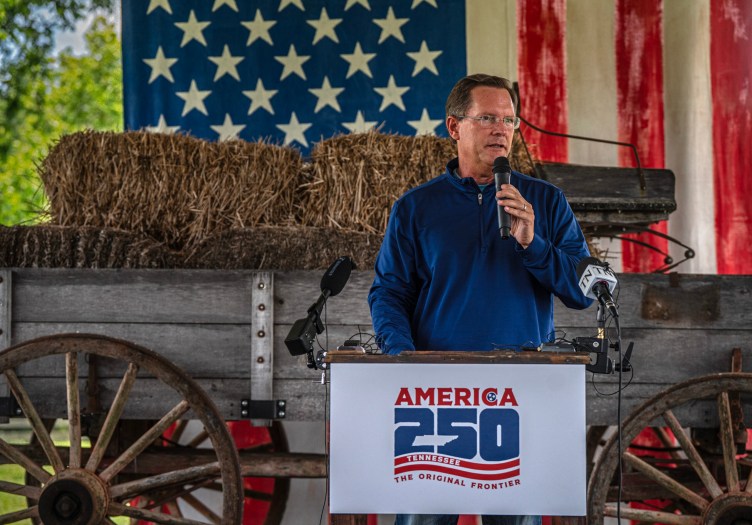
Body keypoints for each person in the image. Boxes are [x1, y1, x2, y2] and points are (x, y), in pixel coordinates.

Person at [367, 74, 593, 525]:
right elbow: (389, 291)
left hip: (520, 390)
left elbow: (585, 290)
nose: (501, 129)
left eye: (509, 120)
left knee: (516, 518)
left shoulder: (547, 202)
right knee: (422, 518)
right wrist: (402, 356)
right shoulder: (415, 208)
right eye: (487, 117)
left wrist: (534, 244)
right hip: (435, 392)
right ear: (454, 127)